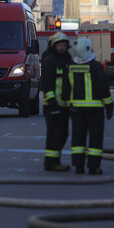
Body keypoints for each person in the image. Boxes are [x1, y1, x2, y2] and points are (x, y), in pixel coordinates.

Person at [65, 38, 114, 175]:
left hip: (76, 110)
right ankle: (94, 167)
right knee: (95, 139)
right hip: (95, 110)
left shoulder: (70, 67)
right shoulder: (96, 67)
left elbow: (66, 89)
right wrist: (109, 106)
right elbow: (104, 89)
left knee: (77, 138)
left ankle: (78, 166)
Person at [41, 32, 74, 172]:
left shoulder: (68, 60)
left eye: (64, 45)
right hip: (53, 106)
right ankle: (51, 163)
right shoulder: (50, 61)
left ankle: (55, 161)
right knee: (55, 134)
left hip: (65, 105)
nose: (62, 47)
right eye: (60, 45)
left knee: (63, 134)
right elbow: (46, 84)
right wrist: (52, 102)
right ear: (54, 46)